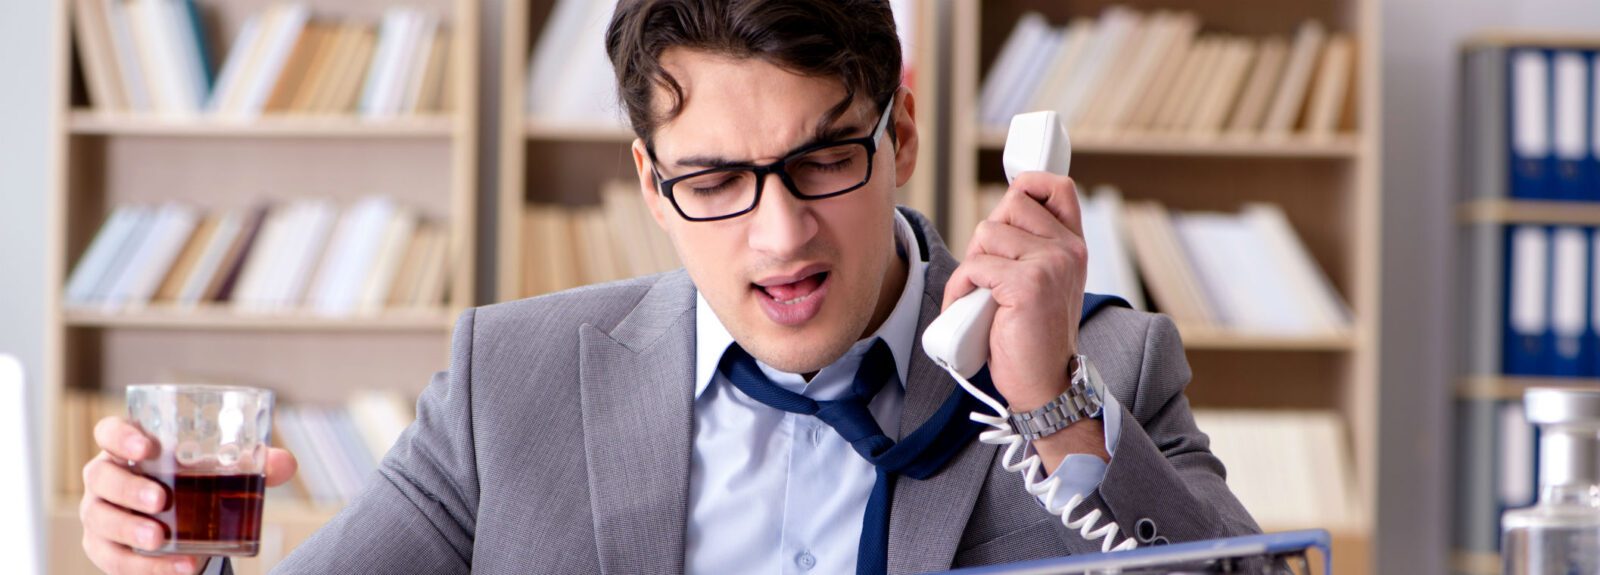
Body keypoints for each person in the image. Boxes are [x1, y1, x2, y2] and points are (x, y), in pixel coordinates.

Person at [79, 1, 1258, 573]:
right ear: (649, 180)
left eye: (822, 158)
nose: (780, 234)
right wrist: (169, 561)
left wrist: (1046, 402)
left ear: (900, 125)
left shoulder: (1101, 366)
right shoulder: (516, 379)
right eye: (713, 180)